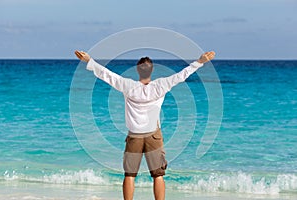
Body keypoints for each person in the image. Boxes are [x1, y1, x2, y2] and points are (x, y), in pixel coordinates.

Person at [75, 50, 215, 200]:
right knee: (158, 175)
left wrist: (89, 60)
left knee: (130, 175)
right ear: (152, 70)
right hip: (153, 135)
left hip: (134, 136)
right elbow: (182, 75)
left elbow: (106, 74)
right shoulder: (161, 85)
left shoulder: (127, 85)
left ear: (137, 70)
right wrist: (200, 62)